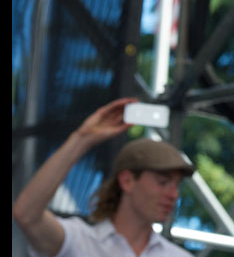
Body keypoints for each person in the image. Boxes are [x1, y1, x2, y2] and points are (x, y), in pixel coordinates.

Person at [13, 98, 194, 257]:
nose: (174, 195)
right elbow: (26, 214)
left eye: (177, 185)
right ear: (127, 181)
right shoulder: (78, 241)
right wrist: (83, 138)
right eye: (163, 182)